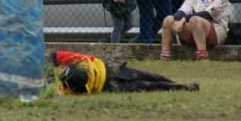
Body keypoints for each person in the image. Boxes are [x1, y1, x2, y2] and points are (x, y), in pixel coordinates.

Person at [160, 0, 232, 61]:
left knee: (195, 20)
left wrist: (184, 19)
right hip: (195, 33)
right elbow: (182, 11)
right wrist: (177, 20)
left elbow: (207, 15)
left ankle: (202, 56)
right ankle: (165, 56)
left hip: (216, 33)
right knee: (168, 19)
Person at [51, 50, 199, 95]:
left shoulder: (71, 89)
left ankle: (181, 87)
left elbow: (64, 93)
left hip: (110, 85)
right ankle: (180, 86)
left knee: (147, 85)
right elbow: (56, 55)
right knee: (150, 78)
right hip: (113, 70)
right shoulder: (80, 60)